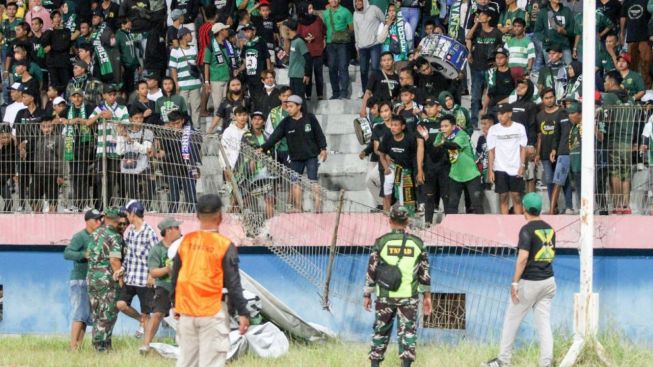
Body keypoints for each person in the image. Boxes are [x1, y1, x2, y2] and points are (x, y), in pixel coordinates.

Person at [170, 194, 250, 367]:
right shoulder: (224, 244)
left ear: (197, 216)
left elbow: (175, 276)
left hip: (186, 312)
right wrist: (243, 312)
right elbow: (233, 282)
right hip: (212, 311)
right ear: (220, 216)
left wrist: (174, 303)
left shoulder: (186, 242)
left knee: (186, 363)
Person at [483, 193, 556, 367]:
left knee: (511, 320)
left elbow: (522, 259)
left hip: (530, 282)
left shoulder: (526, 229)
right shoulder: (550, 229)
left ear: (525, 208)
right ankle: (546, 363)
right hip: (549, 281)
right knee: (544, 324)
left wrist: (515, 283)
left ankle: (503, 361)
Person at [364, 204, 432, 367]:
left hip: (385, 295)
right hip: (409, 296)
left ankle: (375, 364)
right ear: (407, 220)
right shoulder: (417, 243)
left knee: (380, 331)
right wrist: (427, 297)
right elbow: (424, 273)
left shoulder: (381, 242)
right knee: (408, 333)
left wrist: (367, 294)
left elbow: (372, 270)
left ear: (390, 220)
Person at [259, 95, 327, 212]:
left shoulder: (310, 118)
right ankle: (298, 207)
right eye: (287, 107)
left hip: (311, 156)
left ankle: (318, 207)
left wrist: (323, 148)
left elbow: (319, 133)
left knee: (313, 181)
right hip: (295, 158)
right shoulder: (286, 122)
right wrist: (263, 148)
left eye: (291, 106)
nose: (288, 109)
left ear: (299, 106)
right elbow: (274, 137)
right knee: (295, 182)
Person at [419, 114, 484, 214]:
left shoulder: (461, 134)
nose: (443, 129)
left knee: (476, 204)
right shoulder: (441, 136)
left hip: (471, 174)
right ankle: (451, 228)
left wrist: (443, 142)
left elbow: (454, 146)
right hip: (455, 175)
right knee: (452, 206)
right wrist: (427, 138)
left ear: (453, 127)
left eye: (446, 126)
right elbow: (434, 154)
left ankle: (483, 228)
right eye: (441, 126)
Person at [86, 207, 127, 352]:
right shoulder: (114, 236)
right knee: (107, 313)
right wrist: (120, 279)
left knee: (97, 312)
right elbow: (115, 260)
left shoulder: (95, 233)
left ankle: (102, 345)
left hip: (92, 276)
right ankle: (101, 347)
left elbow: (88, 254)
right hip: (106, 278)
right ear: (117, 219)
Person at [141, 216, 183, 354]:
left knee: (186, 315)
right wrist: (167, 269)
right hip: (164, 285)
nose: (179, 230)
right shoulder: (157, 249)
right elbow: (153, 272)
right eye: (176, 227)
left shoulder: (184, 244)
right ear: (168, 230)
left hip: (183, 286)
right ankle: (146, 346)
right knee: (157, 313)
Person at [63, 208, 104, 350]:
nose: (99, 221)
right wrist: (83, 254)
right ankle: (72, 347)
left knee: (86, 316)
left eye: (100, 219)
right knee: (80, 314)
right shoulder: (80, 236)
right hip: (80, 279)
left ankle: (78, 347)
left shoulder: (99, 236)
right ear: (87, 221)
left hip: (92, 280)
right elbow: (67, 253)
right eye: (96, 219)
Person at [117, 200, 158, 339]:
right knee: (121, 304)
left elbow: (156, 255)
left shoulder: (149, 232)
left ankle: (146, 345)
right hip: (131, 278)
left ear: (133, 213)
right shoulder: (131, 232)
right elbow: (128, 256)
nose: (126, 216)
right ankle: (140, 319)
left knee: (147, 314)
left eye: (128, 213)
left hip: (144, 281)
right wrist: (122, 269)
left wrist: (151, 275)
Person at [87, 84, 129, 210]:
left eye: (113, 94)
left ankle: (108, 206)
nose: (112, 97)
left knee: (111, 179)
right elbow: (89, 122)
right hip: (101, 149)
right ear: (104, 95)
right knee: (100, 178)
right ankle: (99, 206)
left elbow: (126, 125)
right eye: (109, 95)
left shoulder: (122, 108)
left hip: (116, 149)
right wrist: (99, 115)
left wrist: (112, 117)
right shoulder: (99, 108)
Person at [466, 8, 503, 129]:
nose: (480, 16)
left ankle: (492, 122)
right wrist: (476, 23)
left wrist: (498, 63)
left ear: (489, 18)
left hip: (491, 67)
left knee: (491, 95)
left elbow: (501, 48)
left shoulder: (496, 32)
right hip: (477, 67)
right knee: (475, 97)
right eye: (480, 15)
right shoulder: (477, 30)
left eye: (482, 15)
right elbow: (468, 37)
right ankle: (474, 122)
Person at [488, 103, 527, 214]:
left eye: (502, 113)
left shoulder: (519, 127)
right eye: (498, 114)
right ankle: (505, 226)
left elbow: (523, 148)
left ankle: (518, 224)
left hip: (515, 167)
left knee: (516, 196)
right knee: (503, 196)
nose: (499, 116)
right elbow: (491, 151)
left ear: (510, 113)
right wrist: (491, 171)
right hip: (500, 167)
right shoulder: (493, 129)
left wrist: (522, 165)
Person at [62, 88, 95, 211]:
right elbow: (56, 119)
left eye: (79, 96)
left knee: (83, 174)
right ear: (70, 98)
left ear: (83, 97)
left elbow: (92, 120)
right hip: (71, 145)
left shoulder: (88, 108)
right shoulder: (67, 109)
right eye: (74, 96)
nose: (77, 99)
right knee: (74, 174)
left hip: (85, 145)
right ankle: (75, 203)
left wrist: (80, 120)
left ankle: (84, 203)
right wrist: (64, 120)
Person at [378, 114, 417, 214]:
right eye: (392, 125)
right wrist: (386, 168)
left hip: (406, 169)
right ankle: (386, 209)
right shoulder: (387, 136)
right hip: (392, 166)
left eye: (396, 125)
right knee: (387, 184)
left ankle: (405, 213)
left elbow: (414, 157)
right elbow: (381, 154)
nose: (393, 128)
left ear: (402, 127)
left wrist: (417, 172)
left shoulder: (410, 138)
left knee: (403, 192)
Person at [353, 0, 385, 97]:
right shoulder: (355, 14)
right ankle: (366, 93)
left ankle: (377, 91)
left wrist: (381, 36)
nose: (358, 3)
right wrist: (357, 46)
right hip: (362, 47)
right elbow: (356, 31)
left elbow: (384, 21)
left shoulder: (374, 9)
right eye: (356, 2)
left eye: (359, 1)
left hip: (374, 45)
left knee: (375, 69)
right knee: (363, 71)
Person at [324, 0, 354, 99]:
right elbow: (323, 27)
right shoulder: (325, 13)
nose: (334, 1)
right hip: (330, 43)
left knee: (343, 67)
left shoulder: (346, 11)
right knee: (332, 68)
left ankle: (344, 92)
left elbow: (351, 28)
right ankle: (335, 92)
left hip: (343, 44)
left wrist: (343, 36)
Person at [297, 2, 326, 100]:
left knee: (319, 74)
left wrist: (322, 40)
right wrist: (306, 39)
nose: (311, 10)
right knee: (307, 74)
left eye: (312, 8)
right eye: (309, 9)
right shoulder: (301, 22)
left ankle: (320, 95)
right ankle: (308, 95)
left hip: (318, 50)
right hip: (306, 53)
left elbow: (323, 31)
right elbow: (299, 37)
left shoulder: (317, 19)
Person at [203, 22, 232, 124]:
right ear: (220, 32)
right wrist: (206, 81)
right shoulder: (210, 46)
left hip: (227, 78)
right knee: (218, 106)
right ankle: (218, 128)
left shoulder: (228, 44)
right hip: (216, 80)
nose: (227, 31)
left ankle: (226, 127)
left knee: (228, 105)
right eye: (225, 29)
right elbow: (206, 64)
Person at [620, 0, 652, 88]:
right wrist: (622, 33)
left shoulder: (648, 1)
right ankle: (632, 87)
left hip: (645, 36)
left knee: (646, 63)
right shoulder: (627, 2)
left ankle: (647, 87)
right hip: (631, 37)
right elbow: (623, 17)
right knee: (631, 64)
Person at [360, 51, 400, 117]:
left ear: (393, 61)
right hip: (377, 108)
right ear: (381, 63)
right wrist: (363, 109)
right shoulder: (376, 74)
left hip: (390, 109)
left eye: (389, 60)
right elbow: (368, 92)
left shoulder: (397, 77)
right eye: (384, 60)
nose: (387, 62)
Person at [533, 0, 574, 64]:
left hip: (564, 46)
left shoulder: (567, 11)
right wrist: (545, 39)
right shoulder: (543, 12)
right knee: (551, 71)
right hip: (549, 48)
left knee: (569, 70)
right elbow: (537, 31)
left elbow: (573, 31)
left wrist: (564, 31)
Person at [237, 22, 272, 95]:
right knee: (253, 96)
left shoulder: (261, 41)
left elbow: (267, 57)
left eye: (248, 31)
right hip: (249, 76)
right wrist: (238, 70)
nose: (246, 34)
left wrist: (268, 72)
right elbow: (245, 63)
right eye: (245, 32)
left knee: (260, 95)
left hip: (259, 76)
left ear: (254, 31)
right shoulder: (245, 45)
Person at [264, 85, 291, 166]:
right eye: (284, 96)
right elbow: (268, 131)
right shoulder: (273, 112)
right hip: (276, 149)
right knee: (277, 177)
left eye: (289, 96)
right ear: (279, 97)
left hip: (292, 150)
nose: (286, 98)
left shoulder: (297, 112)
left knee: (291, 176)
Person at [284, 19, 311, 99]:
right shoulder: (293, 41)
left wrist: (307, 74)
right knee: (294, 100)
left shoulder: (299, 41)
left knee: (299, 99)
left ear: (288, 29)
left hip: (299, 76)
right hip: (293, 75)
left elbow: (308, 58)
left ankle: (304, 112)